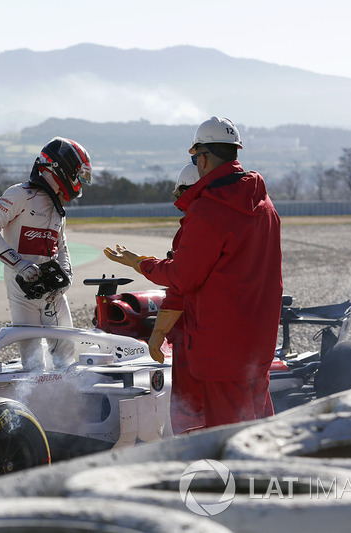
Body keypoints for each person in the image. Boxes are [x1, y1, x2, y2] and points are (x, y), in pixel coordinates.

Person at [104, 116, 283, 429]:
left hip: (222, 348)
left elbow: (183, 279)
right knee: (262, 431)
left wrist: (140, 264)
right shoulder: (264, 204)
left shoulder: (208, 208)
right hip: (259, 342)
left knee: (229, 440)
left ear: (203, 157)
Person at [0, 137, 91, 371]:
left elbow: (62, 247)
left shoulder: (59, 209)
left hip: (54, 292)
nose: (79, 181)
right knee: (32, 364)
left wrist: (66, 278)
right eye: (77, 174)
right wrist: (19, 264)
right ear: (61, 167)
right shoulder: (20, 194)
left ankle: (68, 404)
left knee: (66, 358)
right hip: (21, 291)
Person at [147, 163, 204, 434]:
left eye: (179, 192)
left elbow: (179, 285)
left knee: (189, 413)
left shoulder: (193, 227)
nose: (176, 200)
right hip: (224, 334)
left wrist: (159, 331)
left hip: (192, 338)